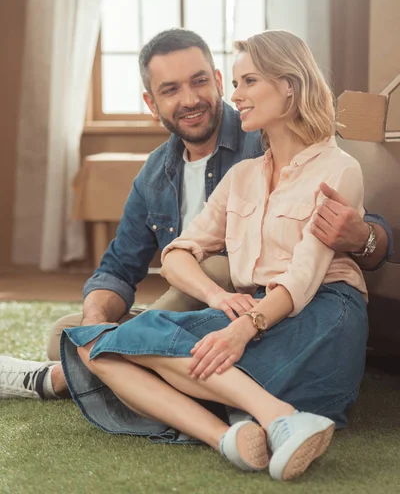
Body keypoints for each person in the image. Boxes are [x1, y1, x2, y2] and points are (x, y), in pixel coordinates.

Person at [0, 29, 392, 405]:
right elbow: (119, 268)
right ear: (152, 103)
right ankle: (126, 347)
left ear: (217, 81)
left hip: (263, 300)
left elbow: (358, 229)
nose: (189, 99)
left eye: (199, 81)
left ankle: (115, 359)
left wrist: (364, 237)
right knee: (65, 338)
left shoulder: (267, 131)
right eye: (170, 90)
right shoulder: (157, 174)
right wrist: (95, 325)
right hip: (212, 299)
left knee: (217, 266)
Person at [57, 30, 378, 481]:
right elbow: (175, 253)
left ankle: (261, 412)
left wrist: (242, 329)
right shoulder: (242, 175)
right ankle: (235, 434)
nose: (236, 95)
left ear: (288, 84)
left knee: (139, 349)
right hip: (254, 309)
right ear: (153, 102)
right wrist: (218, 301)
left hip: (321, 312)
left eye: (248, 81)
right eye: (237, 83)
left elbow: (304, 277)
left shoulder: (338, 167)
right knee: (94, 345)